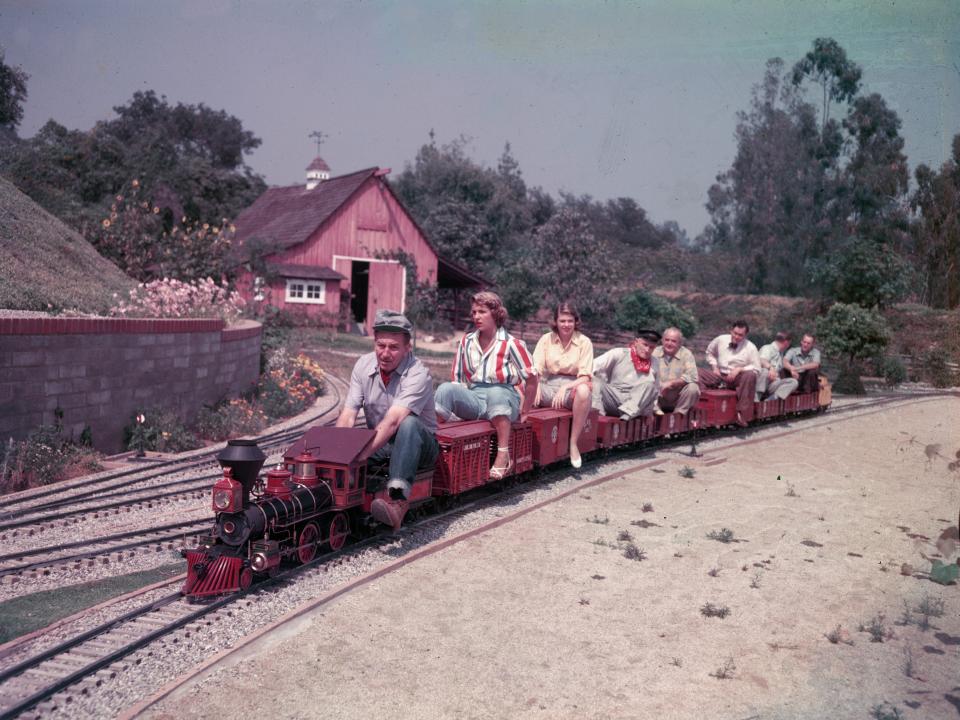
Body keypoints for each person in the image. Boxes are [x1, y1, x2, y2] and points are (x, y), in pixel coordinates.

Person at [335, 309, 438, 530]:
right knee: (340, 444)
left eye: (394, 347)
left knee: (408, 423)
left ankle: (398, 502)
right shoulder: (363, 365)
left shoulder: (418, 374)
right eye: (381, 346)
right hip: (383, 443)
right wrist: (338, 457)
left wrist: (359, 457)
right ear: (374, 342)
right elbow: (348, 413)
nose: (385, 353)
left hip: (420, 446)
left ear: (407, 348)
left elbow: (394, 421)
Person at [435, 291, 538, 480]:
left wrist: (525, 410)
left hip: (505, 397)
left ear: (496, 313)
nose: (476, 317)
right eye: (474, 312)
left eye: (482, 311)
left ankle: (503, 454)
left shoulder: (511, 343)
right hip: (476, 397)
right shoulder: (466, 341)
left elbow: (532, 378)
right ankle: (432, 444)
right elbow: (458, 378)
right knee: (444, 390)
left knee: (497, 393)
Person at [532, 303, 594, 469]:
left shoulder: (584, 342)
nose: (566, 325)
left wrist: (565, 387)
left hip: (571, 387)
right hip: (548, 384)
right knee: (523, 385)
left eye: (570, 321)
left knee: (584, 391)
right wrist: (535, 383)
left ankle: (573, 443)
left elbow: (586, 376)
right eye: (562, 321)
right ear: (556, 321)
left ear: (575, 322)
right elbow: (536, 366)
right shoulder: (546, 339)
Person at [700, 320, 760, 427]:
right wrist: (714, 366)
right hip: (719, 376)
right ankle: (702, 406)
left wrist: (740, 369)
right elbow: (709, 353)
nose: (736, 337)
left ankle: (741, 414)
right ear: (731, 331)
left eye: (740, 335)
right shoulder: (720, 339)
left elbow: (756, 368)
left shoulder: (751, 347)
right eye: (735, 333)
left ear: (745, 335)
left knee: (751, 375)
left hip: (736, 379)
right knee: (696, 372)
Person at [591, 329, 661, 420]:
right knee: (596, 380)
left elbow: (655, 391)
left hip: (637, 403)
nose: (647, 350)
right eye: (645, 345)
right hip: (614, 397)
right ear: (636, 342)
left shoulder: (655, 362)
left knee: (649, 385)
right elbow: (593, 366)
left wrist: (652, 411)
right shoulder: (619, 353)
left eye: (651, 347)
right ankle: (598, 415)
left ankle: (627, 416)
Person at [651, 326, 700, 415]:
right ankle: (656, 411)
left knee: (693, 387)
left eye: (673, 341)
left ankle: (678, 415)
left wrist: (671, 383)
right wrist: (659, 385)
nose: (669, 343)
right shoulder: (654, 352)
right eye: (667, 340)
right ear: (662, 340)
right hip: (657, 398)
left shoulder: (686, 354)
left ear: (680, 343)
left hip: (677, 399)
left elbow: (693, 376)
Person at [756, 332, 799, 401]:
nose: (789, 345)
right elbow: (761, 360)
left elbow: (784, 364)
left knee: (793, 382)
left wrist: (791, 369)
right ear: (786, 342)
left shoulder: (780, 353)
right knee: (765, 371)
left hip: (772, 384)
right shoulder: (768, 348)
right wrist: (770, 368)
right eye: (789, 343)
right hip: (761, 382)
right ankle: (756, 398)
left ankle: (770, 400)